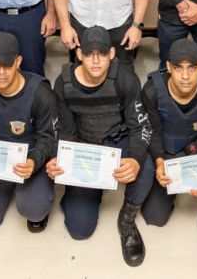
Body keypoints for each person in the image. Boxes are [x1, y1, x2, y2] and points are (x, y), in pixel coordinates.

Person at [48, 26, 150, 265]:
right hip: (85, 147)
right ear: (79, 54)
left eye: (102, 54)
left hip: (117, 141)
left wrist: (135, 160)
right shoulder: (63, 83)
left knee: (146, 166)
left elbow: (140, 127)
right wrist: (62, 160)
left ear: (111, 54)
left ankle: (127, 219)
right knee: (79, 229)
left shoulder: (125, 79)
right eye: (89, 53)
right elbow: (64, 131)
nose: (95, 60)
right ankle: (81, 192)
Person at [140, 36, 197, 256]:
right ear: (169, 67)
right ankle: (170, 191)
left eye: (191, 68)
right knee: (155, 217)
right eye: (179, 68)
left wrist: (194, 171)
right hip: (168, 151)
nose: (186, 75)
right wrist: (160, 161)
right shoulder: (151, 91)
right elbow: (152, 132)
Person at [0, 32, 59, 234]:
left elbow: (48, 138)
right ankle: (6, 187)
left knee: (34, 210)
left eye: (7, 66)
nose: (1, 73)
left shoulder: (41, 93)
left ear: (18, 62)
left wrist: (34, 161)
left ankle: (34, 190)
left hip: (30, 161)